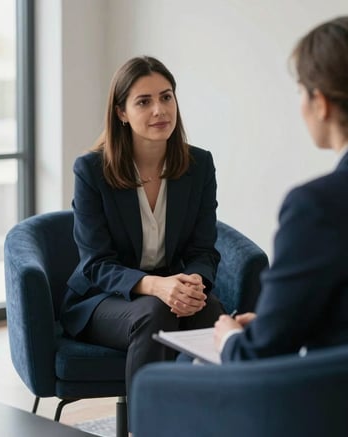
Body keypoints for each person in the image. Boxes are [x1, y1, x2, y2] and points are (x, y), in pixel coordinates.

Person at [60, 56, 224, 405]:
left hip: (169, 290)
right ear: (121, 112)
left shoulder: (199, 165)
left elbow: (204, 249)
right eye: (143, 101)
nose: (159, 110)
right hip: (101, 299)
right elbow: (96, 263)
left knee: (211, 311)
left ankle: (217, 423)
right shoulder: (91, 170)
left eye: (166, 97)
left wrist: (194, 282)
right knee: (155, 311)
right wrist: (155, 286)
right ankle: (145, 427)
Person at [214, 16, 348, 361]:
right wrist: (273, 323)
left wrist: (231, 340)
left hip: (333, 408)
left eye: (300, 91)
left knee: (173, 373)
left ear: (321, 102)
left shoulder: (317, 207)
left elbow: (257, 356)